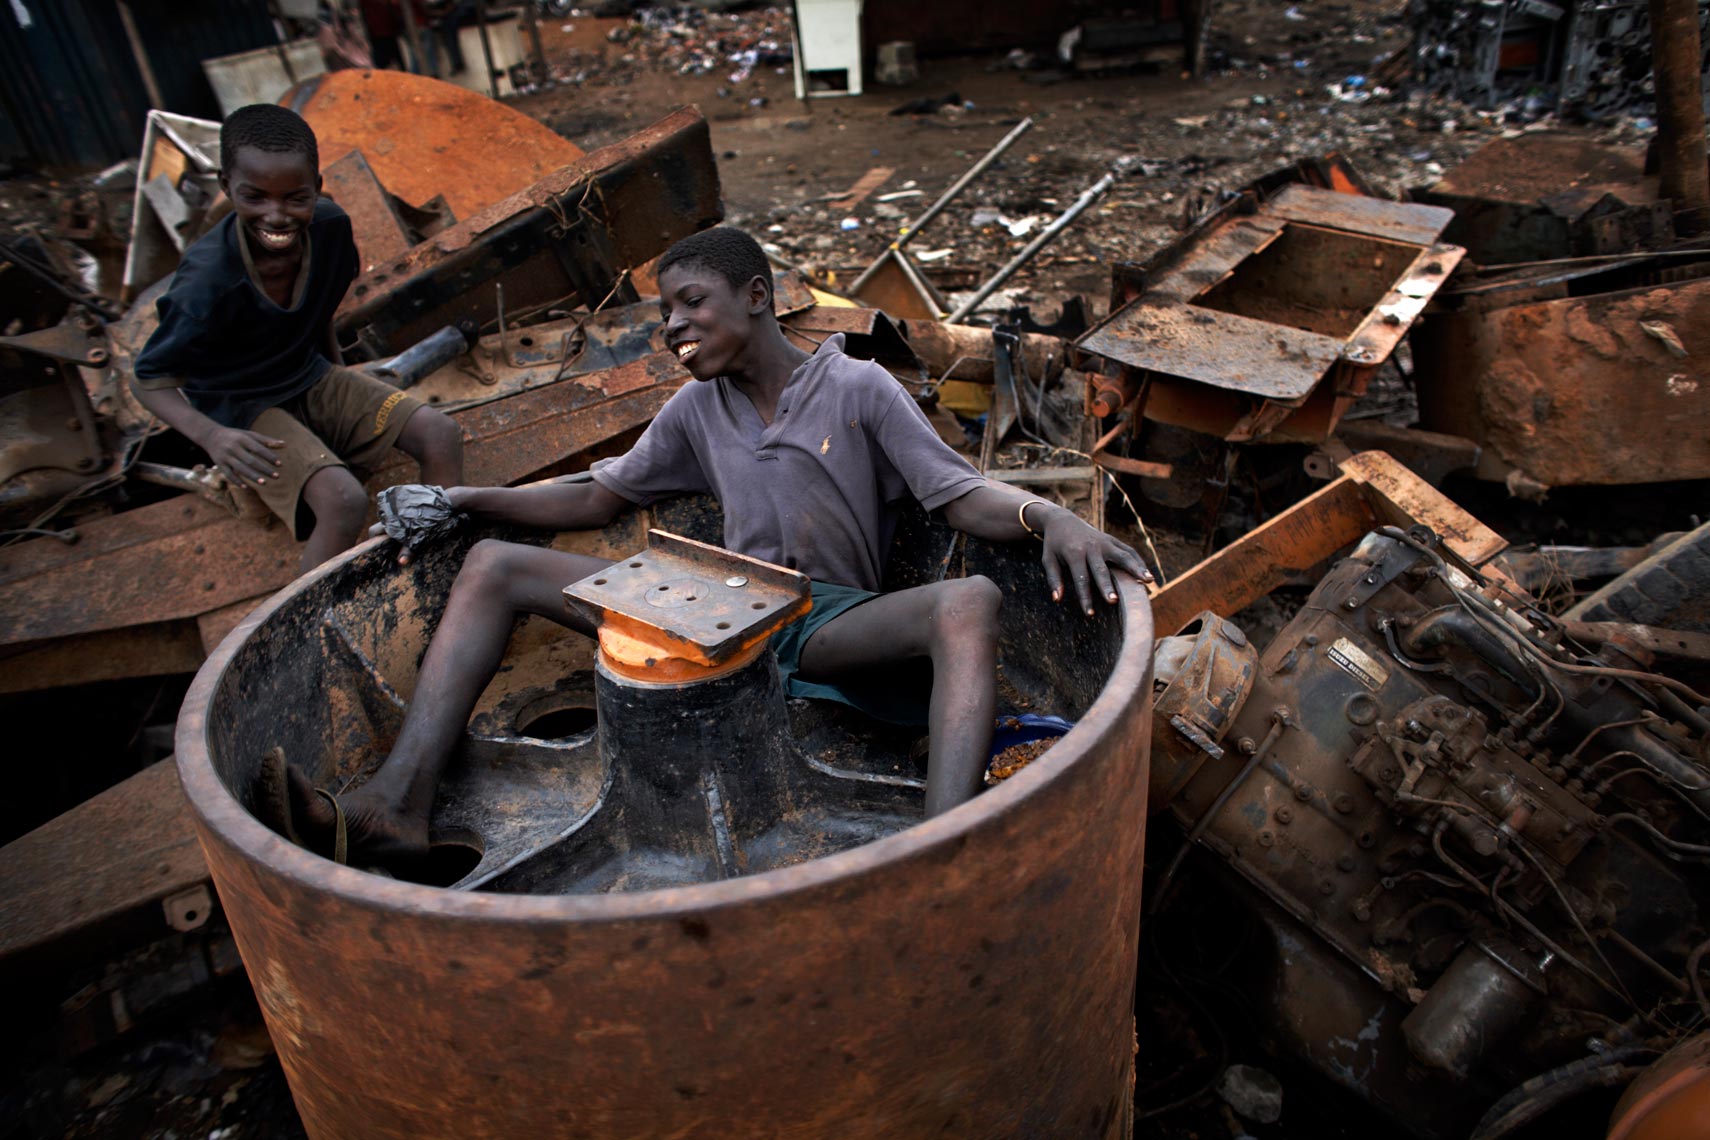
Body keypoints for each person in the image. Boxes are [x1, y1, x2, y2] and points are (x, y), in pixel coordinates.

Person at [278, 226, 1149, 868]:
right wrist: (460, 497)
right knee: (493, 563)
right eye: (664, 312)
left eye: (691, 303)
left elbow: (958, 495)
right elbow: (596, 493)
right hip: (720, 618)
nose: (671, 325)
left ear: (759, 298)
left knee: (969, 601)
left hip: (824, 623)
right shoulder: (696, 411)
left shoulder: (857, 386)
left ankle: (938, 850)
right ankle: (397, 803)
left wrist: (1051, 518)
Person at [130, 104, 463, 572]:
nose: (277, 214)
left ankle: (430, 563)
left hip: (308, 376)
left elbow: (320, 306)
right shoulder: (207, 280)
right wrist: (214, 437)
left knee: (439, 434)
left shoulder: (329, 230)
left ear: (317, 189)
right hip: (241, 406)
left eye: (295, 198)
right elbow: (148, 378)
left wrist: (339, 376)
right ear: (227, 187)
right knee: (342, 499)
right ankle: (311, 627)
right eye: (256, 197)